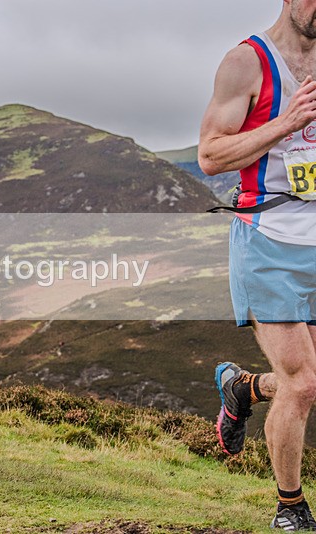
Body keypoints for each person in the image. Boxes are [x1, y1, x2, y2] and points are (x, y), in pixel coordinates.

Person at [199, 1, 316, 528]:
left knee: (305, 379)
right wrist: (285, 123)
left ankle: (242, 389)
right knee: (305, 384)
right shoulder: (246, 63)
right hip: (266, 241)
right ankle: (290, 508)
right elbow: (211, 155)